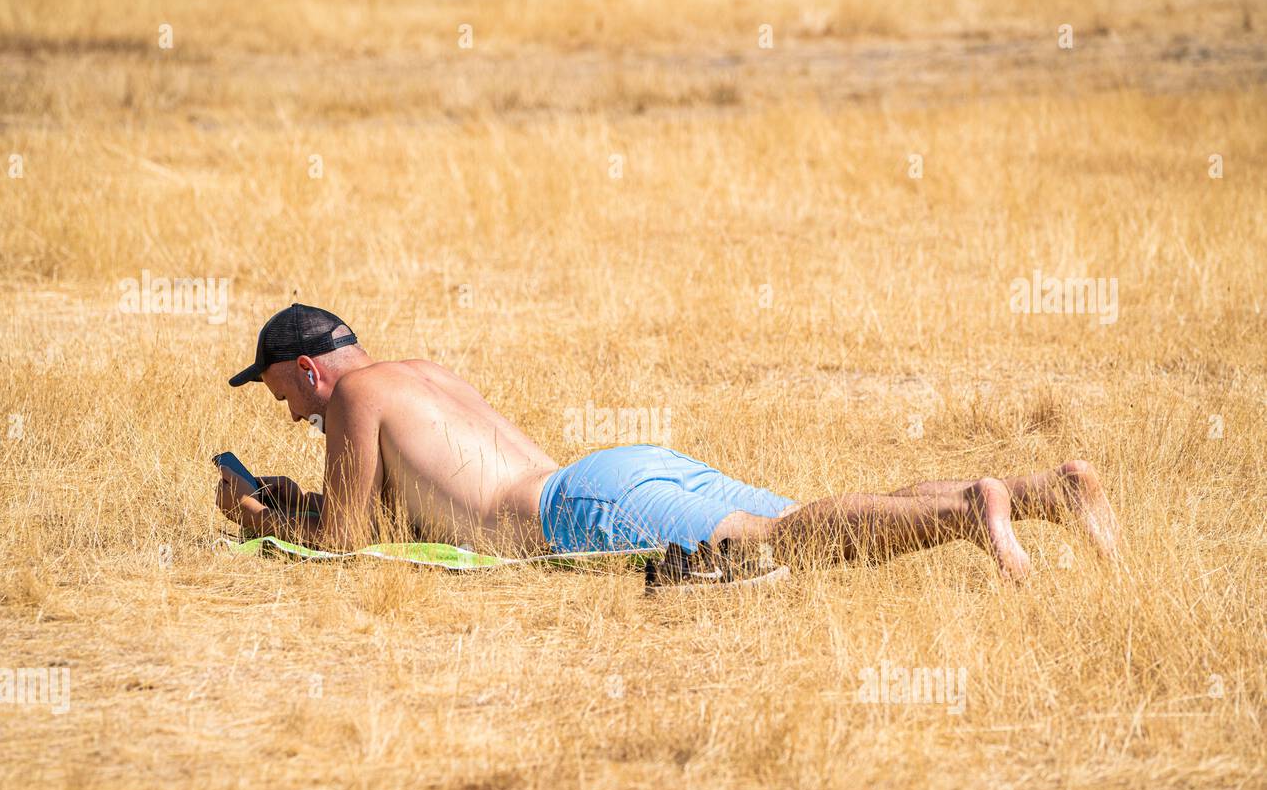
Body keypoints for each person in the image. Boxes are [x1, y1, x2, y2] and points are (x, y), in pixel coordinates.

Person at [216, 305, 1120, 588]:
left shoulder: (351, 401)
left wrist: (259, 516)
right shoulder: (422, 370)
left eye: (279, 390)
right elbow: (394, 507)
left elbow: (345, 545)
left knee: (785, 544)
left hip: (581, 510)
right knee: (797, 517)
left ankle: (971, 513)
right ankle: (1039, 490)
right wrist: (305, 499)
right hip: (609, 469)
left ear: (307, 370)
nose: (288, 413)